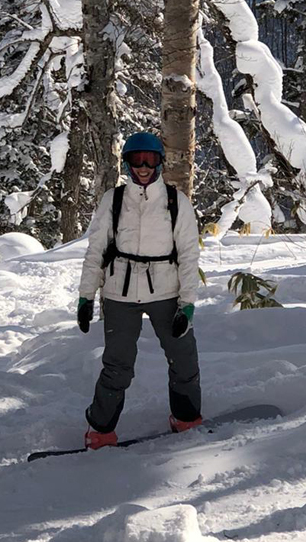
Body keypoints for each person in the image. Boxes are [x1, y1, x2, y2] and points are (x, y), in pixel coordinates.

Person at [77, 131, 202, 449]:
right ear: (127, 163)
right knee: (117, 367)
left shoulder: (176, 202)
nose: (143, 167)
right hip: (119, 294)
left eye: (149, 160)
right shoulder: (114, 200)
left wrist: (187, 303)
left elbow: (189, 255)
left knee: (183, 359)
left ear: (160, 162)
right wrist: (86, 296)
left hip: (166, 292)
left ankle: (186, 417)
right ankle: (100, 430)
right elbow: (96, 250)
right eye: (137, 160)